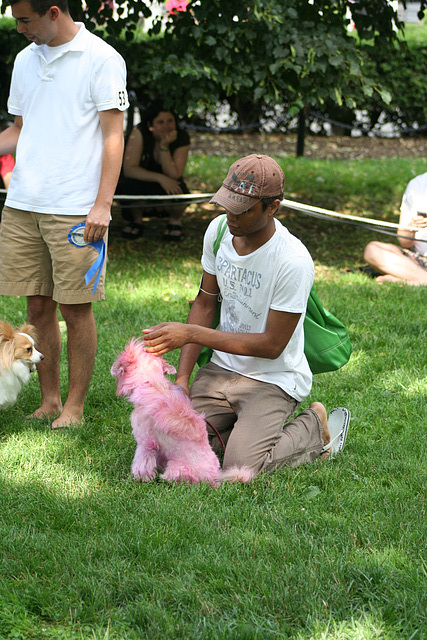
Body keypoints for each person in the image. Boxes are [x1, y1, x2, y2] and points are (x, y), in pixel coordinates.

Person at [142, 154, 351, 477]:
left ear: (273, 207)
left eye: (243, 209)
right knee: (172, 454)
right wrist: (182, 379)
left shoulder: (292, 260)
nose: (231, 216)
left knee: (238, 470)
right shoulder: (218, 232)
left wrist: (191, 334)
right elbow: (205, 302)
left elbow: (271, 345)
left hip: (272, 379)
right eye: (228, 204)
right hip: (220, 371)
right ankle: (236, 435)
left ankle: (313, 426)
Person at [0, 0, 129, 429]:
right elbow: (20, 127)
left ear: (53, 12)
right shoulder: (24, 59)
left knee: (76, 310)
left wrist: (103, 204)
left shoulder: (102, 58)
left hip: (76, 209)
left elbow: (114, 135)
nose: (18, 28)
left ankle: (75, 407)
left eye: (25, 19)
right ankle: (50, 400)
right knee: (37, 306)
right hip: (22, 204)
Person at [120, 99, 190, 241]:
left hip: (170, 182)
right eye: (160, 122)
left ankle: (174, 222)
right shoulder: (139, 133)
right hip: (141, 180)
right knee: (130, 188)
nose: (167, 126)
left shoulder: (181, 137)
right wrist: (160, 178)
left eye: (170, 121)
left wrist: (164, 147)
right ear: (150, 125)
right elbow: (129, 169)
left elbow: (175, 174)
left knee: (179, 189)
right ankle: (136, 221)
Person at [363, 172, 427, 286]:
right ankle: (421, 280)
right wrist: (412, 226)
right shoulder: (417, 185)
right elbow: (405, 243)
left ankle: (415, 280)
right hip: (418, 261)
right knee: (372, 249)